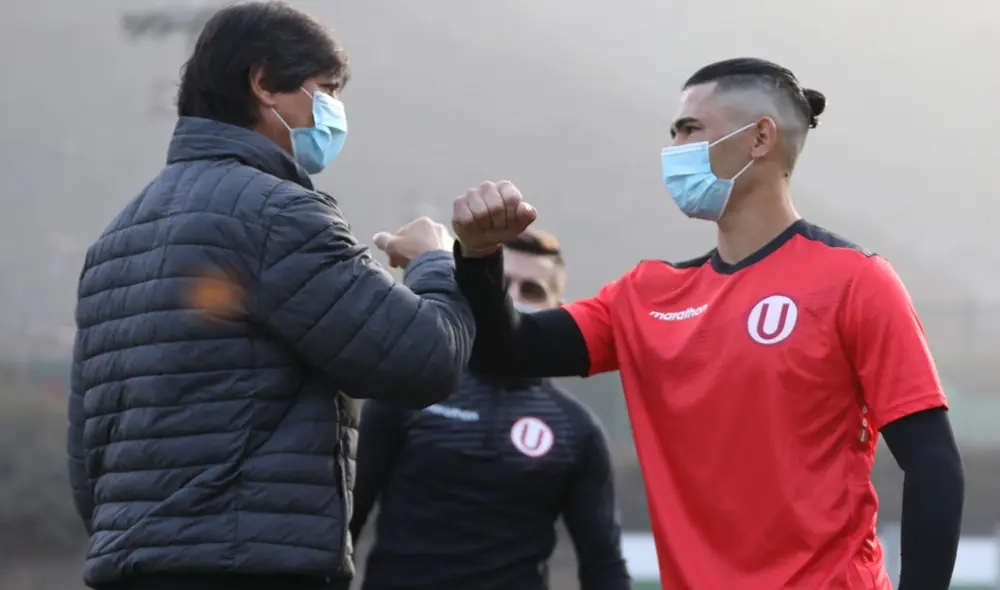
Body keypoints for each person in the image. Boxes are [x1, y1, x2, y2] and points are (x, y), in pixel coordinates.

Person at [441, 58, 965, 589]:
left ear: (760, 138)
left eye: (692, 128)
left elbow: (932, 463)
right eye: (673, 133)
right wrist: (478, 256)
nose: (675, 149)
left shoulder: (854, 281)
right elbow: (508, 349)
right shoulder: (645, 295)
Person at [66, 3, 476, 590]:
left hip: (131, 565)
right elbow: (423, 357)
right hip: (251, 566)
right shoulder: (275, 214)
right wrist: (436, 263)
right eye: (325, 90)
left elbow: (87, 461)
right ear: (263, 83)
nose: (335, 113)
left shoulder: (113, 241)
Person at [349, 229, 631, 590]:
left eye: (531, 290)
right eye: (501, 284)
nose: (510, 301)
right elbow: (346, 521)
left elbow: (604, 563)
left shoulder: (577, 430)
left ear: (558, 312)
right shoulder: (409, 390)